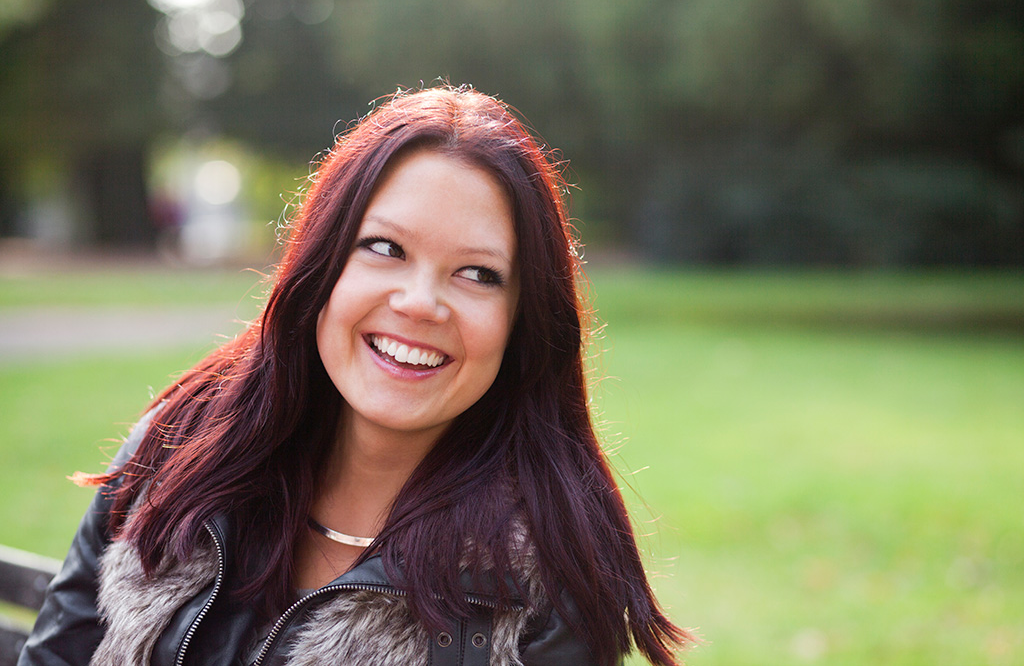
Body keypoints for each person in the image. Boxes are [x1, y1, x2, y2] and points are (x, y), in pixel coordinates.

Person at [20, 85, 692, 666]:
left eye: (478, 274)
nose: (420, 302)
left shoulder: (548, 576)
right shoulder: (180, 449)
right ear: (325, 265)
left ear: (523, 322)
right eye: (385, 248)